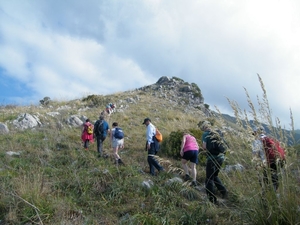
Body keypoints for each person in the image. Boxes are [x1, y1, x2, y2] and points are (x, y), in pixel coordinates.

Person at [201, 121, 228, 204]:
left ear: (204, 128)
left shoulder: (205, 134)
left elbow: (204, 147)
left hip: (212, 158)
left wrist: (203, 150)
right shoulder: (216, 133)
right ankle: (224, 192)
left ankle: (212, 200)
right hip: (221, 157)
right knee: (214, 176)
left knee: (209, 179)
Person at [255, 126, 285, 191]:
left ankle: (267, 197)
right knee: (275, 180)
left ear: (256, 133)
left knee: (265, 182)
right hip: (277, 161)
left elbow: (256, 155)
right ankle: (276, 195)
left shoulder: (257, 141)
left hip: (267, 163)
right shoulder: (270, 139)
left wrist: (258, 165)